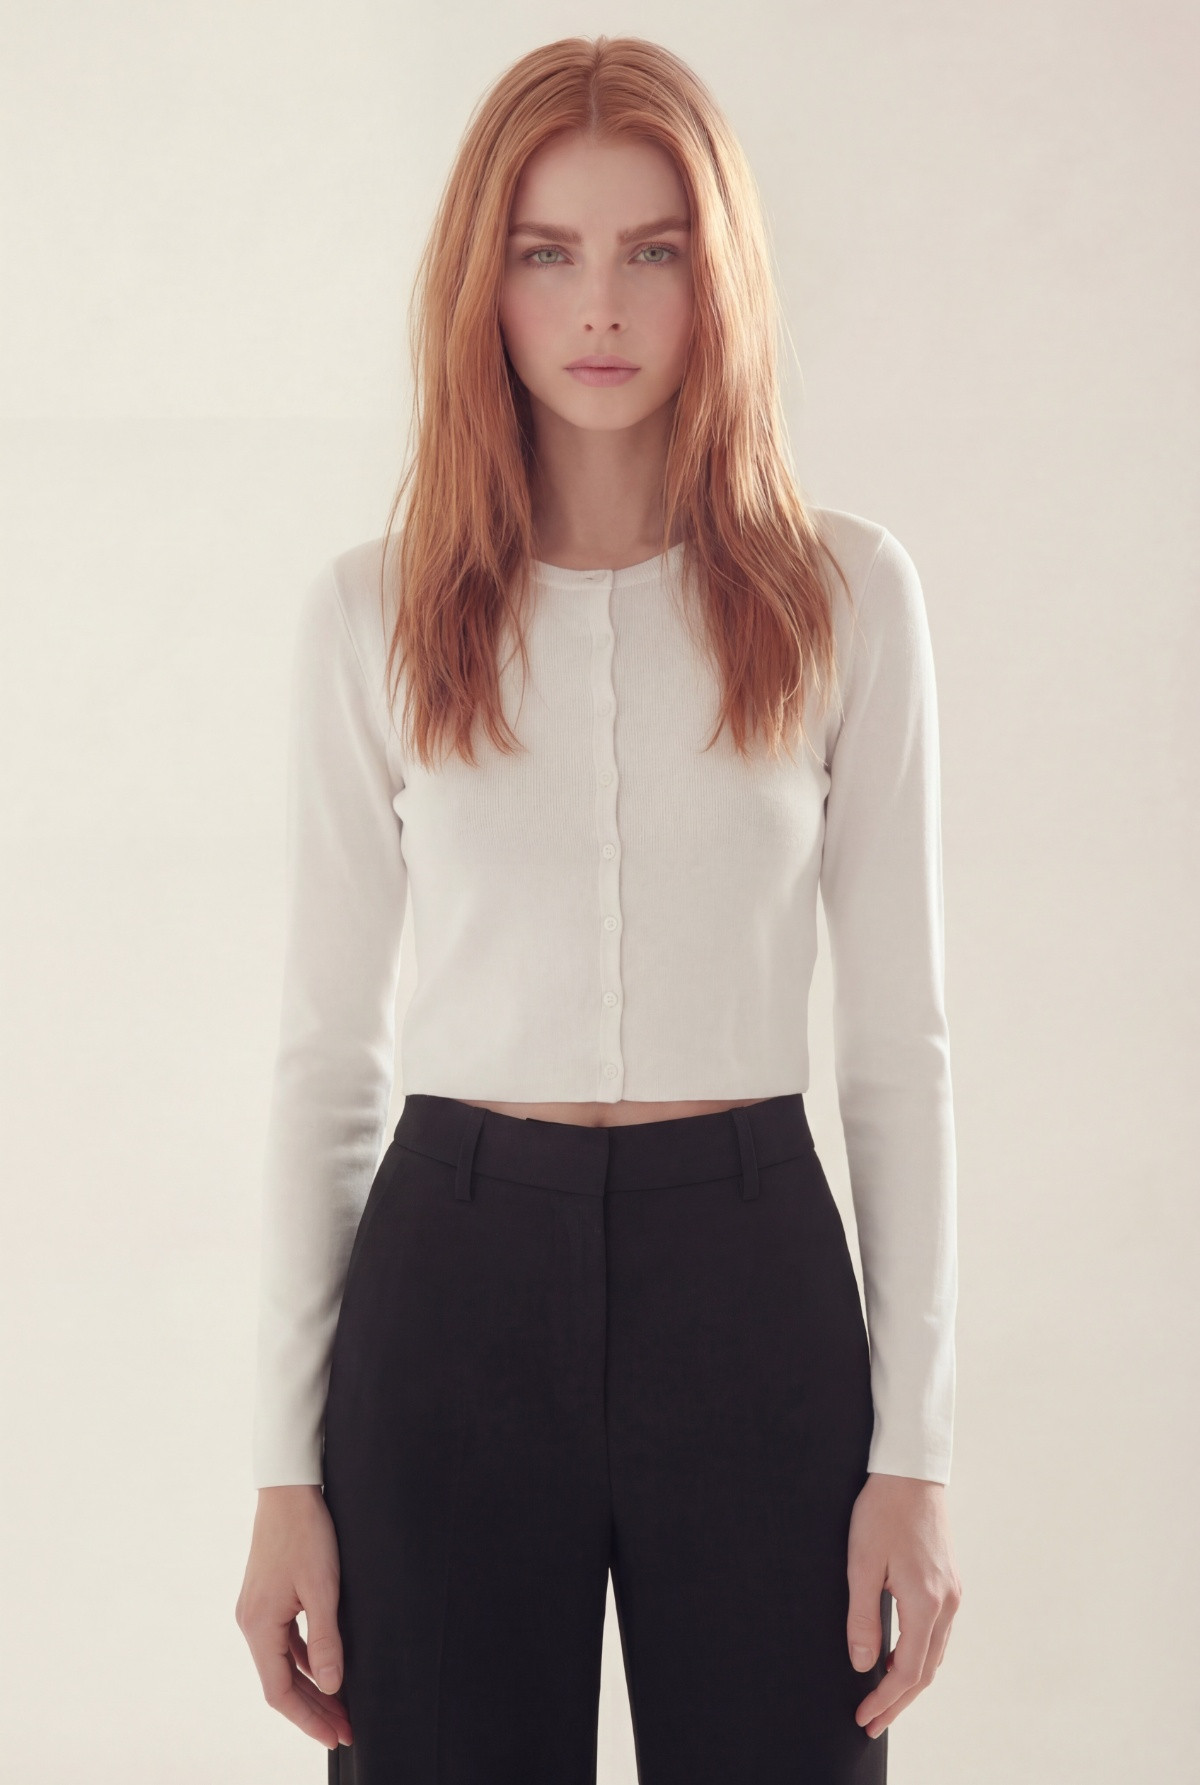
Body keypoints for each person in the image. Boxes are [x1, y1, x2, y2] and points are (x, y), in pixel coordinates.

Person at [235, 33, 962, 1785]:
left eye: (656, 250)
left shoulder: (846, 597)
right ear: (481, 282)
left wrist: (919, 1452)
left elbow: (900, 1051)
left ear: (721, 278)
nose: (602, 305)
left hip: (754, 1284)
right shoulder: (372, 617)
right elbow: (327, 1060)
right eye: (547, 251)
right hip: (452, 1284)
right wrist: (280, 1473)